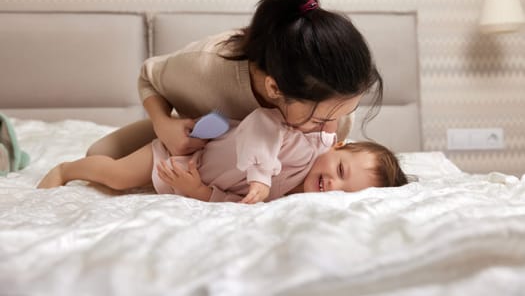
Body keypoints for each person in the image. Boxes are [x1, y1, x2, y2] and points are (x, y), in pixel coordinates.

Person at [85, 0, 383, 163]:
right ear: (274, 88)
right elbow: (148, 76)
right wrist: (164, 125)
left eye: (341, 115)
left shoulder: (334, 104)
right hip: (199, 133)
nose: (332, 129)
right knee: (96, 157)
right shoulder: (204, 67)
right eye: (319, 120)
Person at [38, 107, 408, 203]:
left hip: (193, 176)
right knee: (117, 178)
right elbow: (262, 123)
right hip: (184, 150)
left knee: (127, 183)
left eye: (344, 193)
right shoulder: (308, 141)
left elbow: (229, 200)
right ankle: (67, 168)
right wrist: (261, 177)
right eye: (341, 170)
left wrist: (198, 191)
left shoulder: (294, 196)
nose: (333, 185)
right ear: (337, 146)